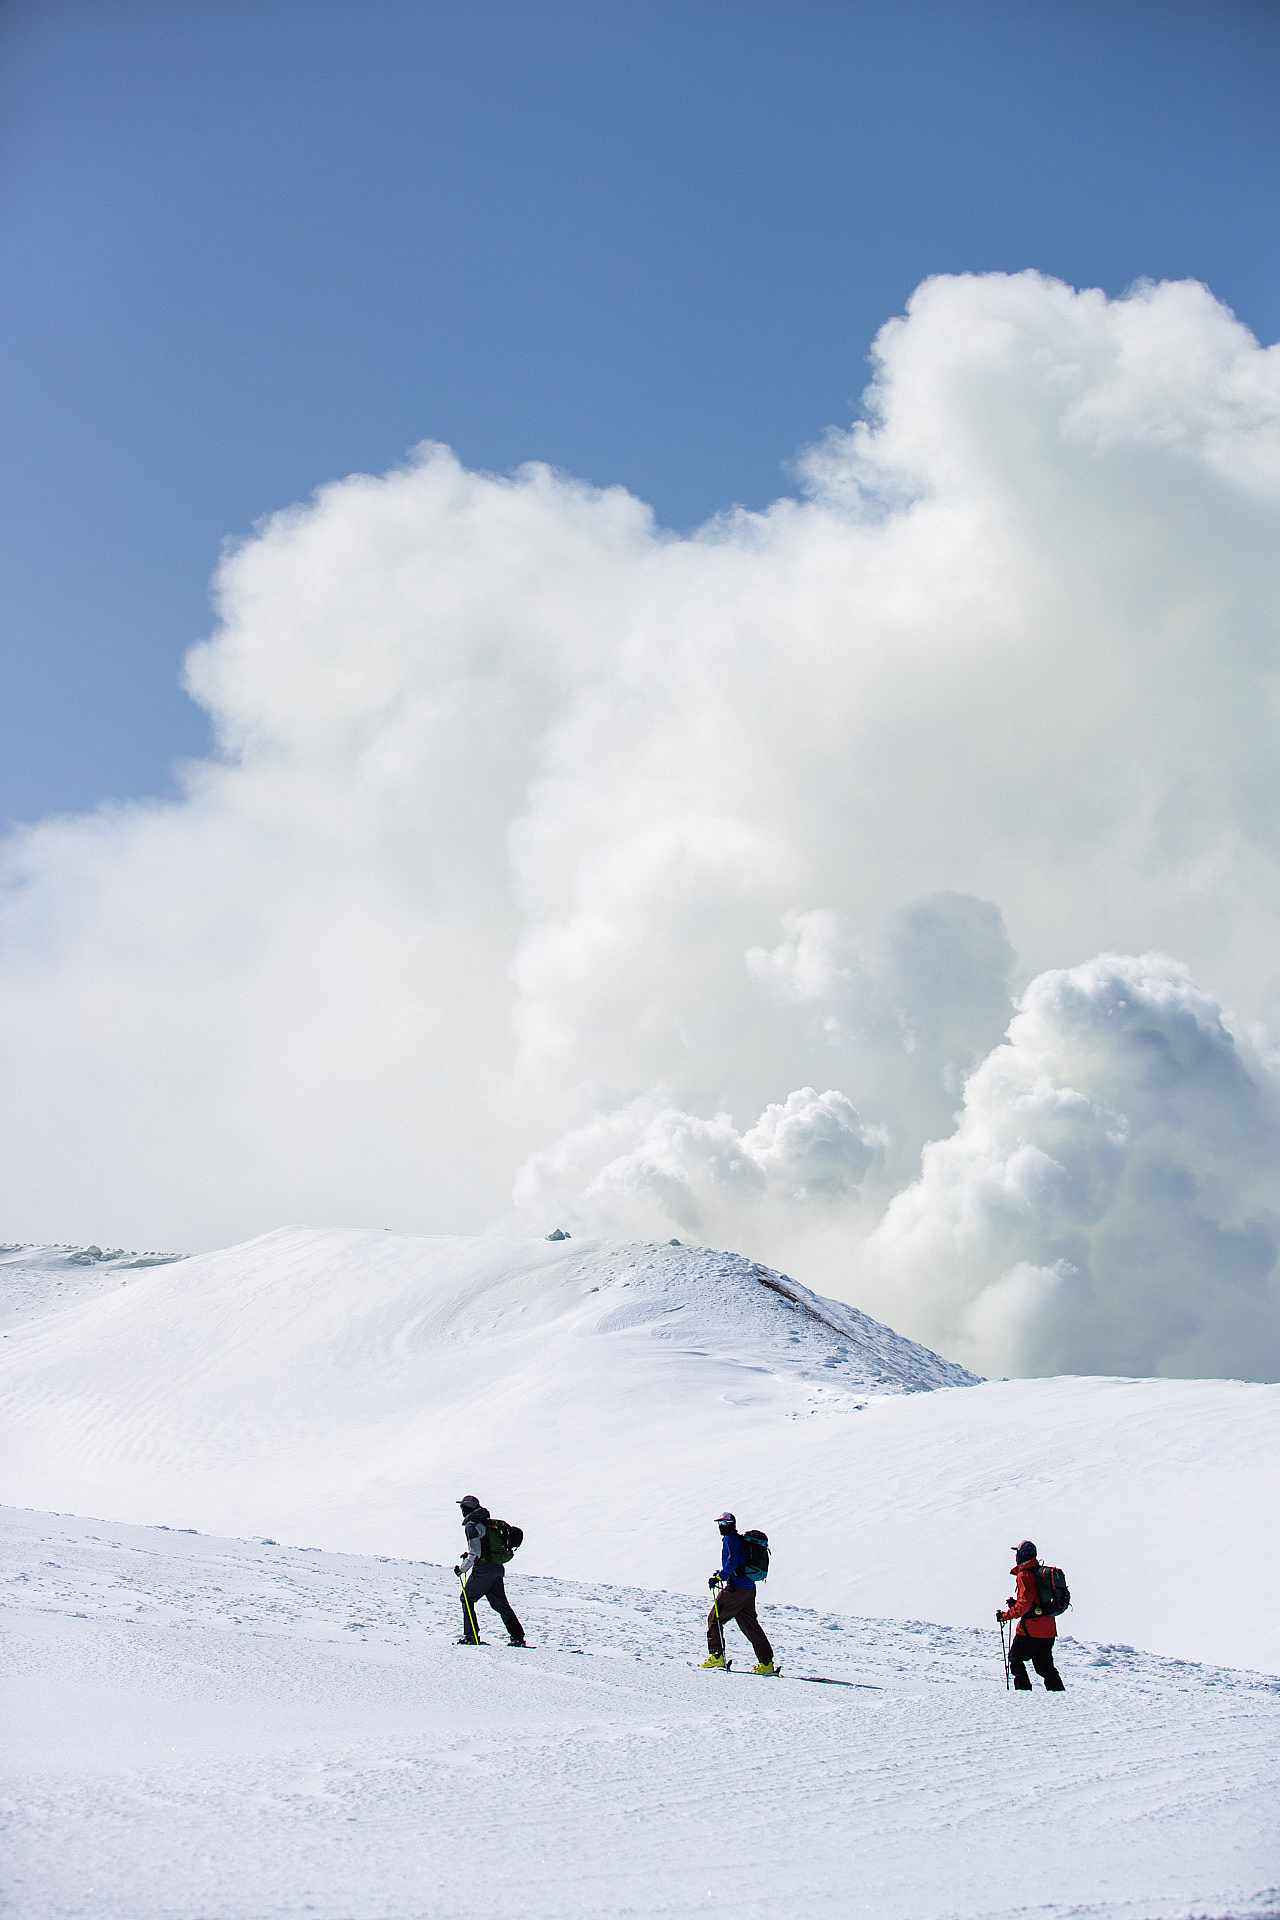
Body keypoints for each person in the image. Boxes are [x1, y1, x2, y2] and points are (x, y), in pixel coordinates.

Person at [702, 1511, 775, 1675]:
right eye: (720, 1524)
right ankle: (766, 1663)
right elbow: (736, 1561)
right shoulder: (737, 1539)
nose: (721, 1527)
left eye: (724, 1524)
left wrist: (722, 1576)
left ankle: (716, 1656)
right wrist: (721, 1573)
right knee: (750, 1625)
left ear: (731, 1524)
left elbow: (733, 1560)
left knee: (714, 1618)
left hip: (737, 1588)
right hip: (748, 1588)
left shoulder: (731, 1539)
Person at [454, 1494, 525, 1646]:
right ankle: (518, 1637)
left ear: (466, 1509)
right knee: (500, 1604)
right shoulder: (489, 1523)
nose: (461, 1510)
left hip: (484, 1570)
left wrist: (462, 1569)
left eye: (462, 1507)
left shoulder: (472, 1526)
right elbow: (484, 1547)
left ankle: (471, 1636)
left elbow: (476, 1553)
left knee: (466, 1599)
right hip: (497, 1569)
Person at [998, 1539, 1065, 1691]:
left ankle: (1024, 1697)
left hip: (1030, 1631)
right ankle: (1060, 1698)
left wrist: (1006, 1615)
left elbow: (1025, 1604)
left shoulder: (1024, 1575)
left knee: (1015, 1659)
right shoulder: (1039, 1573)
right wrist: (1016, 1604)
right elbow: (1033, 1601)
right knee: (1045, 1668)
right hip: (1048, 1630)